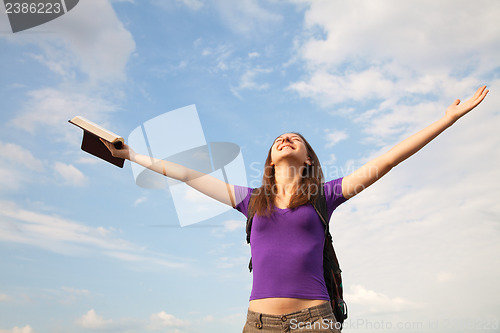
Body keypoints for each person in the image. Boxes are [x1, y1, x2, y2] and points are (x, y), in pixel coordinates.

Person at [102, 86, 488, 332]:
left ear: (307, 160)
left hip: (314, 322)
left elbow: (388, 160)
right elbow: (187, 174)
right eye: (279, 140)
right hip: (258, 324)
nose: (286, 139)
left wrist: (446, 120)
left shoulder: (327, 194)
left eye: (295, 139)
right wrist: (133, 155)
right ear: (270, 161)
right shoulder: (250, 200)